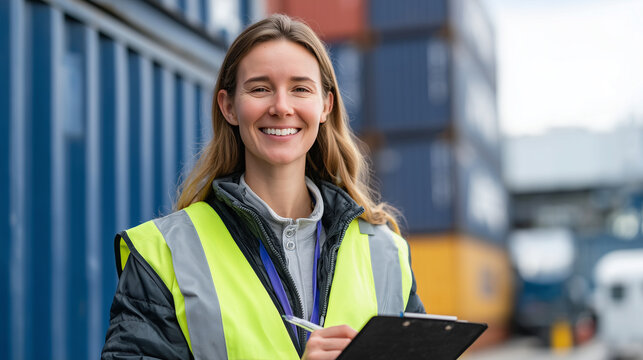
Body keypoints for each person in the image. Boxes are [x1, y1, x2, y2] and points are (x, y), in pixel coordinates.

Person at [101, 14, 424, 360]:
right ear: (228, 107)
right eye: (260, 88)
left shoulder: (386, 253)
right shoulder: (163, 255)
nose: (281, 107)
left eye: (300, 89)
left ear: (325, 106)